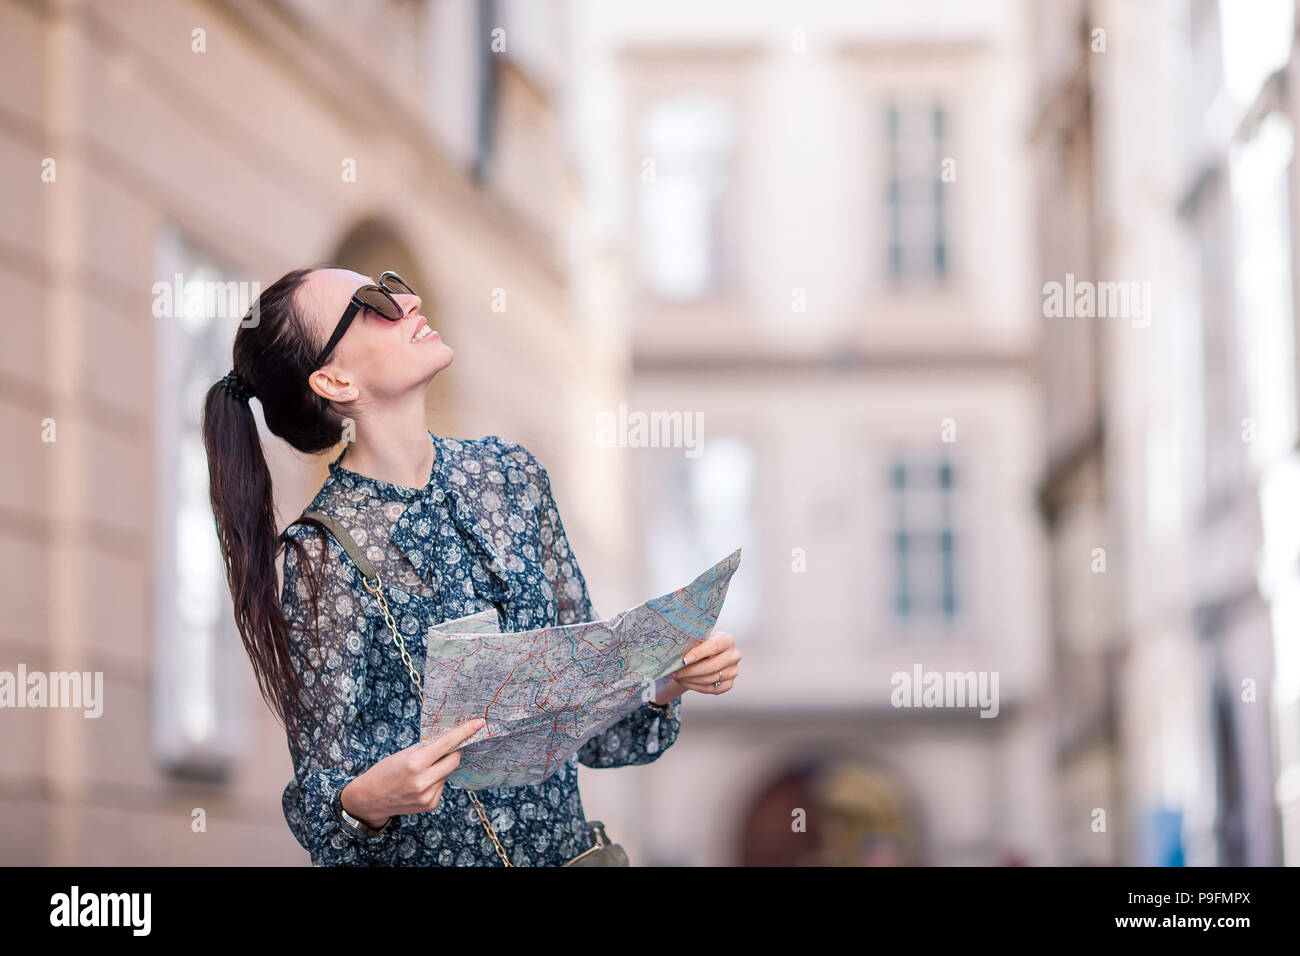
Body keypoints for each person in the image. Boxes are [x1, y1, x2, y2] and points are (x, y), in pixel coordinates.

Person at [200, 265, 742, 865]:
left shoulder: (511, 477)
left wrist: (667, 682)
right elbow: (326, 806)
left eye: (393, 282)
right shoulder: (322, 552)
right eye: (372, 301)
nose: (406, 300)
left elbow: (596, 729)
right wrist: (370, 799)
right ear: (334, 379)